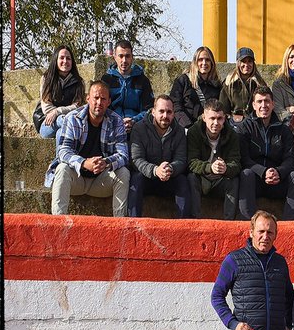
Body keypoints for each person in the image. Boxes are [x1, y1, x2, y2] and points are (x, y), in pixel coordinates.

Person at [45, 79, 129, 217]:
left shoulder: (116, 120)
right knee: (61, 168)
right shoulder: (72, 118)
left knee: (124, 173)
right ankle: (58, 224)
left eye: (103, 99)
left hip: (100, 181)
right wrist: (84, 163)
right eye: (95, 98)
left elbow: (123, 155)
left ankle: (120, 226)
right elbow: (63, 151)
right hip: (75, 179)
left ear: (109, 102)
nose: (99, 103)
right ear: (88, 98)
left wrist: (106, 162)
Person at [238, 86, 294, 221]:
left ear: (273, 104)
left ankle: (289, 224)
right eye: (260, 101)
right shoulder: (245, 127)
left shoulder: (284, 130)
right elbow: (244, 158)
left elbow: (291, 159)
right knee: (246, 174)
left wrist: (278, 172)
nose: (264, 105)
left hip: (277, 181)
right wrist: (263, 172)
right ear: (254, 105)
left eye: (267, 101)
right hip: (255, 179)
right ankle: (247, 222)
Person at [128, 94, 191, 217]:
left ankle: (184, 226)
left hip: (169, 178)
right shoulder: (139, 128)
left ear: (173, 114)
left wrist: (170, 168)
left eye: (169, 112)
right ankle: (133, 225)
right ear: (153, 112)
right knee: (136, 180)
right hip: (147, 177)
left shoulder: (179, 131)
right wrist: (155, 170)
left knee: (183, 181)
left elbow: (181, 159)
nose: (165, 116)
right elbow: (136, 159)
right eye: (161, 111)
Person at [186, 98, 242, 220]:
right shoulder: (193, 132)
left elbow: (236, 163)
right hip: (202, 178)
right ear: (204, 117)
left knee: (234, 181)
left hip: (220, 180)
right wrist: (209, 167)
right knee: (191, 178)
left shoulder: (232, 134)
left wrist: (226, 168)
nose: (216, 123)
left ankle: (229, 222)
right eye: (212, 118)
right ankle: (195, 220)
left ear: (224, 118)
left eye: (219, 119)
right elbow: (191, 162)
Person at [100, 39, 153, 132]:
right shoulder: (106, 80)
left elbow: (148, 109)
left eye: (127, 56)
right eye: (121, 56)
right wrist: (117, 121)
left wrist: (134, 121)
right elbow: (102, 106)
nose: (124, 60)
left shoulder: (143, 80)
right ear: (114, 57)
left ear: (132, 57)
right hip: (111, 126)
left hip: (137, 127)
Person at [170, 46, 225, 130]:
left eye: (207, 60)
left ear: (212, 63)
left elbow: (221, 109)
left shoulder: (217, 85)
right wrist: (188, 126)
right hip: (186, 128)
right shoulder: (183, 81)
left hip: (210, 130)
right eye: (200, 59)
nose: (204, 63)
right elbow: (176, 106)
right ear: (195, 62)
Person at [36, 45, 84, 139]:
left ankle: (61, 154)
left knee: (61, 133)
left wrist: (57, 111)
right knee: (63, 120)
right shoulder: (46, 79)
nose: (65, 61)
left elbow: (78, 107)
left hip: (69, 122)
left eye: (68, 58)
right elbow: (47, 108)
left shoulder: (79, 82)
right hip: (47, 123)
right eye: (62, 58)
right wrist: (58, 114)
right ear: (56, 60)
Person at [221, 47, 267, 123]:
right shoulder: (229, 83)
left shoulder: (260, 83)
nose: (246, 65)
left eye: (250, 61)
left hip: (255, 124)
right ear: (238, 63)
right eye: (243, 61)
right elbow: (223, 108)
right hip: (234, 124)